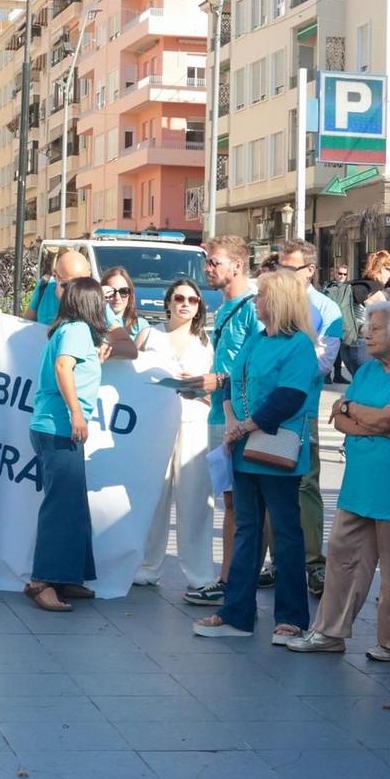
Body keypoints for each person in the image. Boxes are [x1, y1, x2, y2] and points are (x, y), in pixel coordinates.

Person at [287, 300, 390, 659]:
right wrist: (372, 424)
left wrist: (351, 411)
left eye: (377, 327)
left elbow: (386, 416)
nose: (367, 334)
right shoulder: (369, 371)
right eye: (368, 326)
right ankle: (328, 632)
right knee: (342, 558)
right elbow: (340, 420)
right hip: (358, 481)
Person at [194, 270, 322, 643]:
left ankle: (292, 618)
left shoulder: (298, 345)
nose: (256, 302)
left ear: (280, 301)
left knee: (286, 532)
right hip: (246, 447)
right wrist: (234, 420)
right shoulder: (255, 339)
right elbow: (234, 380)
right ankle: (237, 613)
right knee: (248, 529)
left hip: (274, 449)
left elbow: (290, 397)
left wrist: (244, 426)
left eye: (262, 296)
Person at [25, 277, 107, 612]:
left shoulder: (68, 331)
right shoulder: (76, 330)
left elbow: (71, 368)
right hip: (59, 427)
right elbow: (63, 366)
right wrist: (77, 413)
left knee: (71, 504)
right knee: (61, 506)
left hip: (53, 426)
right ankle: (42, 581)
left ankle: (67, 576)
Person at [136, 278, 216, 591]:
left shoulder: (206, 342)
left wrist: (197, 386)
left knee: (195, 499)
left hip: (195, 422)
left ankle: (199, 573)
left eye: (192, 300)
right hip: (155, 425)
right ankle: (146, 565)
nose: (185, 304)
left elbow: (215, 385)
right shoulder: (150, 336)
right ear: (168, 301)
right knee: (154, 496)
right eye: (179, 298)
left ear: (199, 307)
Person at [190, 236, 257, 607]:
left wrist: (221, 380)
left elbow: (257, 365)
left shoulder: (252, 308)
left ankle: (233, 579)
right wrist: (203, 386)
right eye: (208, 262)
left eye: (215, 262)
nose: (209, 269)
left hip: (240, 418)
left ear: (238, 266)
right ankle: (230, 578)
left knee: (242, 503)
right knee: (230, 500)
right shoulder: (225, 306)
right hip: (220, 410)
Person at [277, 239, 342, 596]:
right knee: (269, 481)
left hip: (302, 410)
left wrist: (279, 368)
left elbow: (323, 363)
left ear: (310, 271)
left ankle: (314, 562)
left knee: (305, 484)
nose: (284, 274)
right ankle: (277, 560)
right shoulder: (270, 302)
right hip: (265, 409)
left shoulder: (327, 309)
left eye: (291, 268)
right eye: (280, 267)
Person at [27, 248, 91, 324]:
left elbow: (108, 331)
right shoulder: (44, 288)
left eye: (82, 285)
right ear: (55, 275)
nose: (75, 292)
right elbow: (28, 322)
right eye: (68, 285)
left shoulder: (94, 298)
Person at [98, 266, 148, 360]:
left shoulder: (141, 326)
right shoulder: (92, 323)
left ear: (130, 295)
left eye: (123, 291)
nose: (117, 297)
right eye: (111, 292)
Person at [324, 263, 358, 382]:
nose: (342, 276)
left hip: (346, 323)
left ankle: (337, 375)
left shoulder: (348, 287)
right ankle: (327, 375)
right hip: (334, 323)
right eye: (340, 273)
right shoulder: (329, 289)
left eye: (345, 274)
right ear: (335, 274)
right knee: (332, 349)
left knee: (340, 350)